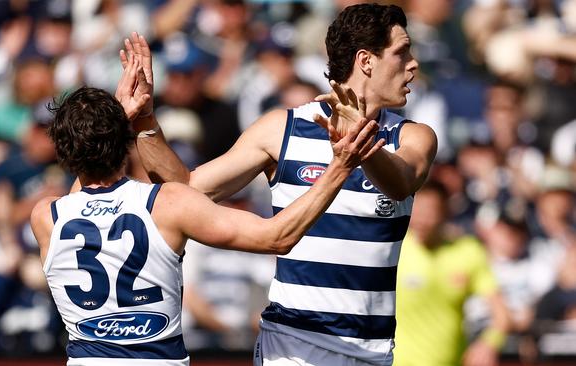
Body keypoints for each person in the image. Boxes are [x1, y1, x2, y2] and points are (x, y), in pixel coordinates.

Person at [29, 40, 382, 365]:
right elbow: (277, 237)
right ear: (125, 143)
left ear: (62, 153)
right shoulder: (166, 204)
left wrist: (116, 125)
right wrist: (339, 168)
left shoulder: (46, 216)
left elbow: (84, 182)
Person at [130, 4, 437, 365]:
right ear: (366, 61)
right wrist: (145, 119)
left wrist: (359, 141)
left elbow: (400, 184)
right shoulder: (282, 128)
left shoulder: (413, 137)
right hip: (292, 345)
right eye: (402, 52)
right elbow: (186, 190)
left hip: (373, 350)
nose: (414, 64)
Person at [394, 180, 508, 366]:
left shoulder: (468, 252)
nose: (422, 219)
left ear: (445, 213)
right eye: (418, 211)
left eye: (430, 212)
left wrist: (489, 344)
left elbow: (501, 315)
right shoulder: (394, 248)